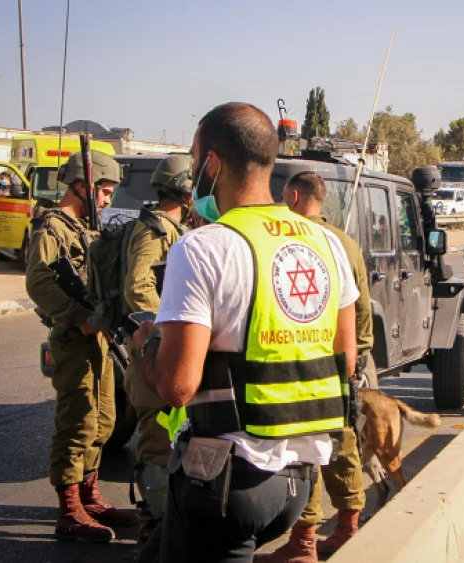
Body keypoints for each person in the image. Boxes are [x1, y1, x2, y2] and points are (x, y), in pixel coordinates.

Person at [133, 102, 359, 561]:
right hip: (298, 482)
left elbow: (178, 387)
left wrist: (148, 342)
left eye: (195, 161)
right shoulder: (327, 243)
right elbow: (345, 361)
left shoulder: (203, 247)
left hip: (227, 480)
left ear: (211, 164)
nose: (194, 172)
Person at [25, 151, 136, 542]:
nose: (106, 200)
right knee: (77, 422)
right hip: (74, 341)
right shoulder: (53, 228)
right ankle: (69, 509)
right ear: (82, 186)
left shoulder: (86, 227)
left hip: (99, 340)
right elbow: (38, 282)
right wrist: (78, 318)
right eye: (104, 192)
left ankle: (90, 496)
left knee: (104, 419)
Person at [279, 170, 371, 559]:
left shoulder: (287, 239)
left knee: (304, 446)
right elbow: (361, 306)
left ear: (295, 197)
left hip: (303, 356)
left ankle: (304, 541)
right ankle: (349, 528)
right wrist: (358, 355)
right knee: (343, 442)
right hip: (343, 358)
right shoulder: (345, 243)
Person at [120, 154, 194, 549]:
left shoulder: (176, 226)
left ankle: (165, 526)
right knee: (156, 445)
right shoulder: (153, 230)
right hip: (153, 353)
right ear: (184, 188)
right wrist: (164, 332)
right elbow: (138, 289)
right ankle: (152, 533)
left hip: (166, 353)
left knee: (172, 439)